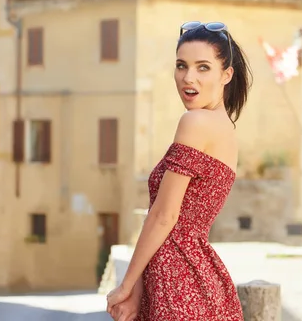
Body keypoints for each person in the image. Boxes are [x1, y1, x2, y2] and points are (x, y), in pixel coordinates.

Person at [106, 21, 253, 320]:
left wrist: (127, 285)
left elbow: (164, 216)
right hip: (195, 277)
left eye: (203, 67)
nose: (188, 78)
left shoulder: (195, 123)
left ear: (226, 74)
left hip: (176, 279)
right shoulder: (225, 129)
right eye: (181, 65)